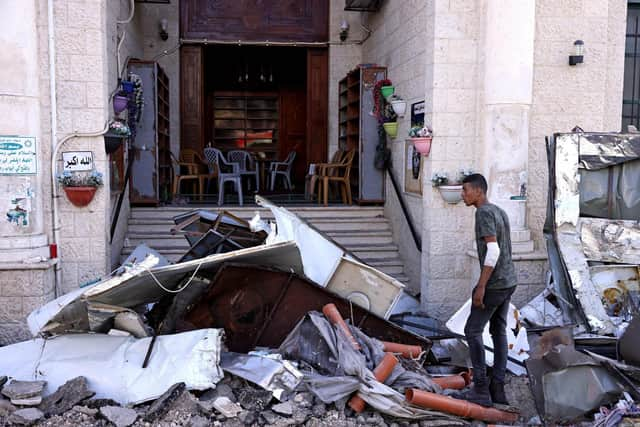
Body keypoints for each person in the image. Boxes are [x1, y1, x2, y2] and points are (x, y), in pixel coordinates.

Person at [457, 173, 517, 407]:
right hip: (508, 280)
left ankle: (481, 389)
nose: (463, 195)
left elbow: (493, 251)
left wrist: (481, 286)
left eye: (465, 190)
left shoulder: (483, 213)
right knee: (498, 331)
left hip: (495, 284)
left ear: (478, 191)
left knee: (472, 331)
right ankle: (498, 388)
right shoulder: (498, 211)